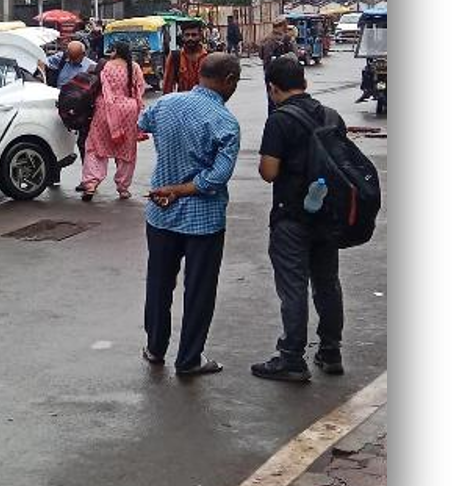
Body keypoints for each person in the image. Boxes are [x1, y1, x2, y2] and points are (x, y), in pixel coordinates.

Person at [136, 53, 242, 376]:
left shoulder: (166, 103)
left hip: (161, 215)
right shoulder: (225, 122)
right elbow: (216, 177)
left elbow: (142, 123)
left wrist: (171, 166)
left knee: (159, 282)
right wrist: (181, 188)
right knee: (199, 290)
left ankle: (155, 348)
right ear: (229, 81)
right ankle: (189, 359)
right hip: (204, 221)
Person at [251, 57, 346, 382]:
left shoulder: (280, 120)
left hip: (291, 217)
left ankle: (292, 357)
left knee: (293, 288)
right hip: (328, 216)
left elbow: (269, 172)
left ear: (272, 88)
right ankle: (331, 351)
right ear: (303, 81)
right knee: (327, 283)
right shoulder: (331, 115)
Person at [80, 42, 145, 201]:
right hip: (128, 110)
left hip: (105, 109)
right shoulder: (134, 67)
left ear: (116, 51)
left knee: (95, 147)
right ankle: (123, 188)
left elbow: (101, 89)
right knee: (127, 150)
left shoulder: (106, 66)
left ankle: (91, 183)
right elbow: (139, 90)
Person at [46, 40, 97, 170]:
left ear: (83, 54)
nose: (72, 60)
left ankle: (87, 176)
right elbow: (42, 61)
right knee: (54, 139)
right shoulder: (61, 59)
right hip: (59, 106)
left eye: (76, 57)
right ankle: (53, 174)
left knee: (83, 143)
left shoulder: (91, 67)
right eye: (70, 56)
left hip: (81, 111)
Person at [259, 20, 298, 114]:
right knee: (285, 101)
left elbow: (261, 55)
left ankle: (272, 121)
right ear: (282, 26)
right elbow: (294, 55)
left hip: (268, 73)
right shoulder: (286, 39)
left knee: (271, 101)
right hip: (284, 74)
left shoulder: (265, 38)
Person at [162, 23, 208, 94]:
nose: (190, 38)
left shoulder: (209, 57)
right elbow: (167, 86)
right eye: (187, 35)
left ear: (200, 36)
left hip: (204, 102)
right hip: (183, 102)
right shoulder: (175, 57)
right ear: (182, 37)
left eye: (194, 35)